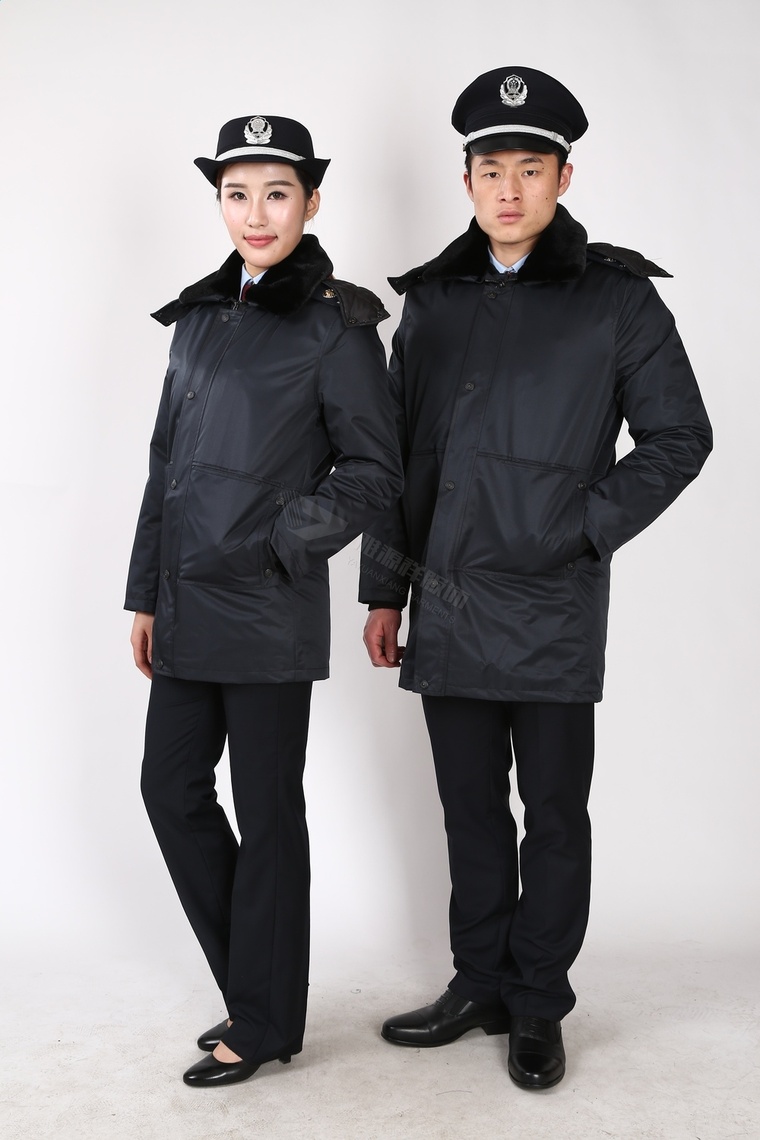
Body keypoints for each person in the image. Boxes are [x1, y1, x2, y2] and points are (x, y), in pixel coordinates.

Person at [360, 67, 712, 1090]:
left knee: (553, 814)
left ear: (563, 175)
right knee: (468, 810)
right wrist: (385, 588)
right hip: (446, 600)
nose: (507, 189)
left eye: (528, 168)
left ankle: (537, 1002)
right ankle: (478, 981)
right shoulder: (431, 303)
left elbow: (679, 437)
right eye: (489, 169)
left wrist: (580, 528)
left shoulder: (617, 298)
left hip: (553, 604)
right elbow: (393, 457)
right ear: (466, 179)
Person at [125, 114, 402, 1088]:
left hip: (267, 608)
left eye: (276, 193)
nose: (256, 213)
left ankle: (263, 1016)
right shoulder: (201, 316)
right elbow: (165, 466)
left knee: (267, 812)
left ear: (310, 203)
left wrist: (284, 537)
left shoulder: (338, 324)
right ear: (219, 204)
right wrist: (143, 593)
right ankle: (260, 992)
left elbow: (375, 470)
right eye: (237, 194)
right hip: (184, 604)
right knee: (168, 790)